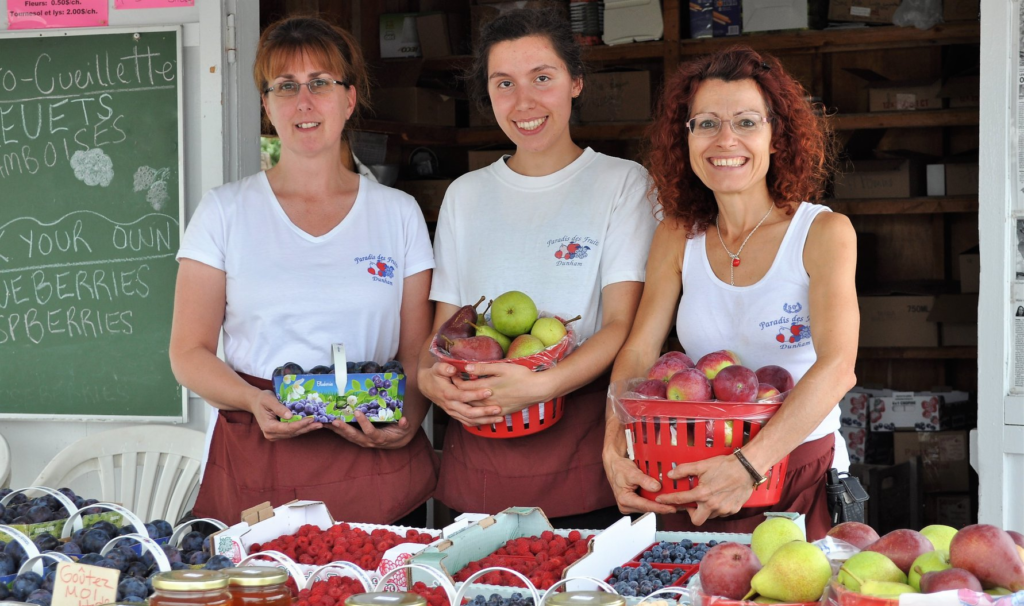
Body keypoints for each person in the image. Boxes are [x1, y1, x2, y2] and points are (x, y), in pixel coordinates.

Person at [170, 17, 438, 525]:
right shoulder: (224, 211)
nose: (304, 102)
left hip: (372, 454)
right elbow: (188, 352)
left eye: (320, 83)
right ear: (267, 106)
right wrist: (252, 400)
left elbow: (416, 353)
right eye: (286, 87)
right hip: (260, 454)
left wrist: (412, 418)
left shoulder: (398, 213)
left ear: (349, 99)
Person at [602, 46, 858, 540]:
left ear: (776, 135)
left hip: (795, 469)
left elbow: (837, 367)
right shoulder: (677, 235)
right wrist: (613, 447)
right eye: (706, 123)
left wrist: (747, 466)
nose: (725, 140)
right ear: (687, 137)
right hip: (692, 471)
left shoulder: (823, 233)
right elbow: (638, 349)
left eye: (745, 122)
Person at [418, 9, 658, 529]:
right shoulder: (465, 195)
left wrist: (542, 386)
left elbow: (622, 324)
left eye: (542, 78)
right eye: (504, 83)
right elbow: (447, 330)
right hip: (479, 451)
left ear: (575, 83)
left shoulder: (621, 183)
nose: (523, 102)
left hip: (582, 446)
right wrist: (429, 380)